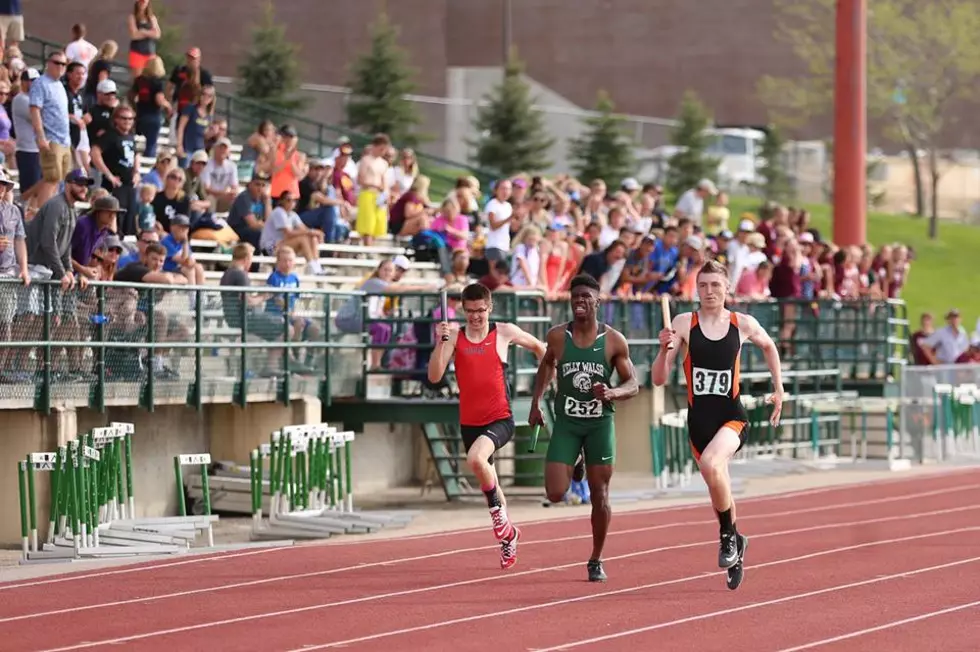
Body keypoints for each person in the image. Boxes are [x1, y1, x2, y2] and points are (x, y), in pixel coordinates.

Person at [651, 259, 784, 591]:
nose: (709, 291)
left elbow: (770, 346)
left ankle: (727, 537)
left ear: (728, 288)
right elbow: (658, 379)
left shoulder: (742, 323)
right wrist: (662, 349)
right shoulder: (684, 323)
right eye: (704, 285)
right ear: (696, 290)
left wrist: (778, 388)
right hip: (699, 421)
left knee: (712, 464)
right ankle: (737, 542)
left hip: (732, 417)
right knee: (717, 483)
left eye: (715, 285)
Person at [528, 273, 639, 582]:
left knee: (599, 494)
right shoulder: (557, 336)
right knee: (555, 492)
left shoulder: (613, 340)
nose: (579, 301)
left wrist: (613, 392)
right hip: (567, 422)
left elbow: (633, 383)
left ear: (597, 303)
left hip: (599, 425)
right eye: (574, 296)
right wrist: (537, 402)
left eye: (585, 297)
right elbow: (548, 364)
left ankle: (596, 558)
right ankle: (576, 460)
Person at [427, 282, 546, 570]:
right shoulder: (454, 336)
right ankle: (509, 536)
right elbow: (434, 376)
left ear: (489, 307)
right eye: (470, 312)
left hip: (500, 418)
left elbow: (540, 348)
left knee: (476, 459)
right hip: (469, 421)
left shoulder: (504, 332)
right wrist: (440, 343)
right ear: (463, 311)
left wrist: (542, 389)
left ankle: (498, 519)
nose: (476, 317)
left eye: (480, 311)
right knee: (486, 473)